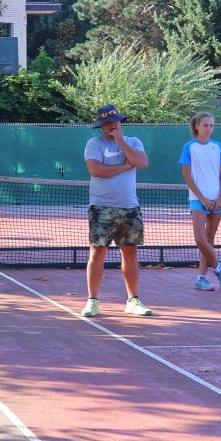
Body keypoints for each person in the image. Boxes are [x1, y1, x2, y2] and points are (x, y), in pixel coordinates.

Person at [82, 104, 152, 318]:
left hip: (129, 207)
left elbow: (142, 163)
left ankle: (133, 300)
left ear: (120, 122)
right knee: (97, 252)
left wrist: (121, 142)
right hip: (101, 207)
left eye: (115, 121)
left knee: (130, 252)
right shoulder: (94, 143)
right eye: (107, 123)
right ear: (101, 126)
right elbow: (96, 170)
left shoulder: (133, 142)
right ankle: (92, 301)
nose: (112, 126)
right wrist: (124, 166)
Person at [179, 112, 221, 291]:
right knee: (200, 239)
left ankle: (201, 277)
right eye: (205, 125)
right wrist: (202, 198)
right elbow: (187, 176)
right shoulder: (189, 147)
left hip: (216, 199)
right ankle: (219, 267)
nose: (209, 129)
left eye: (211, 125)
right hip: (198, 199)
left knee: (209, 239)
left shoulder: (217, 146)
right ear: (197, 126)